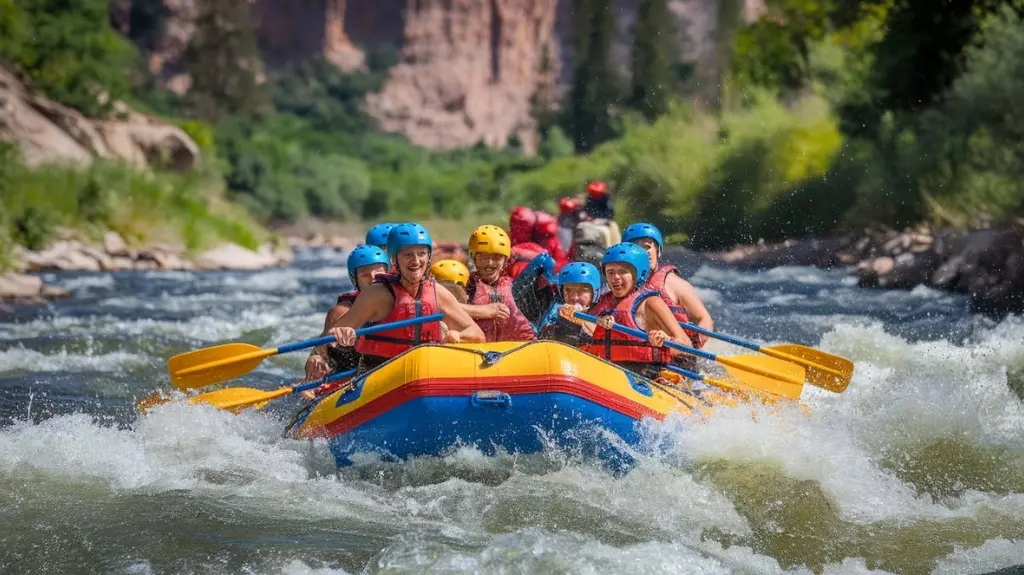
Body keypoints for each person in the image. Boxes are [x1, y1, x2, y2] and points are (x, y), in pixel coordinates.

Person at [328, 223, 484, 374]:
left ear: (429, 257)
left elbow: (477, 335)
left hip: (425, 373)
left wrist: (457, 336)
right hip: (378, 373)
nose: (416, 261)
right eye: (408, 254)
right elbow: (331, 337)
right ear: (394, 259)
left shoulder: (438, 293)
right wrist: (342, 335)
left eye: (421, 253)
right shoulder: (377, 294)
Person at [560, 243, 693, 380]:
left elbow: (685, 345)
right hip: (611, 375)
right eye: (610, 272)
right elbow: (595, 337)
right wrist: (573, 319)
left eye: (622, 272)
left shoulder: (650, 303)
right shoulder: (602, 304)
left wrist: (666, 340)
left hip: (648, 376)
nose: (615, 278)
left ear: (638, 274)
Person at [302, 245, 390, 397]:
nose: (373, 279)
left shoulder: (401, 299)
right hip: (349, 376)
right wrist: (316, 361)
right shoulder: (342, 311)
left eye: (378, 272)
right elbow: (319, 352)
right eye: (364, 275)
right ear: (354, 279)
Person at [621, 222, 714, 347]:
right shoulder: (619, 283)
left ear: (657, 250)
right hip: (635, 352)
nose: (644, 252)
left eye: (647, 247)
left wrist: (697, 341)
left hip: (671, 354)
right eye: (637, 248)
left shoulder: (673, 283)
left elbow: (704, 318)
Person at [462, 225, 537, 342]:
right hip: (476, 352)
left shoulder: (517, 287)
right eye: (483, 257)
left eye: (496, 257)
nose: (489, 263)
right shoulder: (464, 285)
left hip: (515, 352)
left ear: (505, 260)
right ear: (474, 258)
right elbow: (444, 308)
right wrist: (485, 311)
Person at [537, 261, 601, 346]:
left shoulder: (603, 311)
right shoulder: (556, 311)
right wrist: (558, 323)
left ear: (595, 293)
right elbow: (542, 338)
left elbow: (602, 339)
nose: (574, 298)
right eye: (568, 290)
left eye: (582, 291)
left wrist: (582, 321)